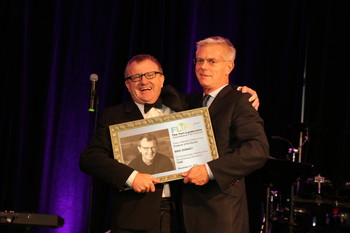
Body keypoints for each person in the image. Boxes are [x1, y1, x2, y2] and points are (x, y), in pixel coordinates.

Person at [80, 54, 260, 233]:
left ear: (161, 79)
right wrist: (132, 177)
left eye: (150, 75)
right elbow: (90, 158)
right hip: (135, 218)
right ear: (128, 85)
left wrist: (242, 92)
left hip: (181, 217)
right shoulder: (114, 116)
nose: (144, 81)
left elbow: (216, 96)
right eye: (136, 77)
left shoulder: (183, 106)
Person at [181, 36, 270, 233]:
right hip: (186, 213)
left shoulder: (239, 100)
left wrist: (209, 170)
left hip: (220, 213)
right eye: (199, 60)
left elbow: (257, 149)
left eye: (212, 61)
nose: (203, 66)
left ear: (229, 67)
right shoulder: (190, 102)